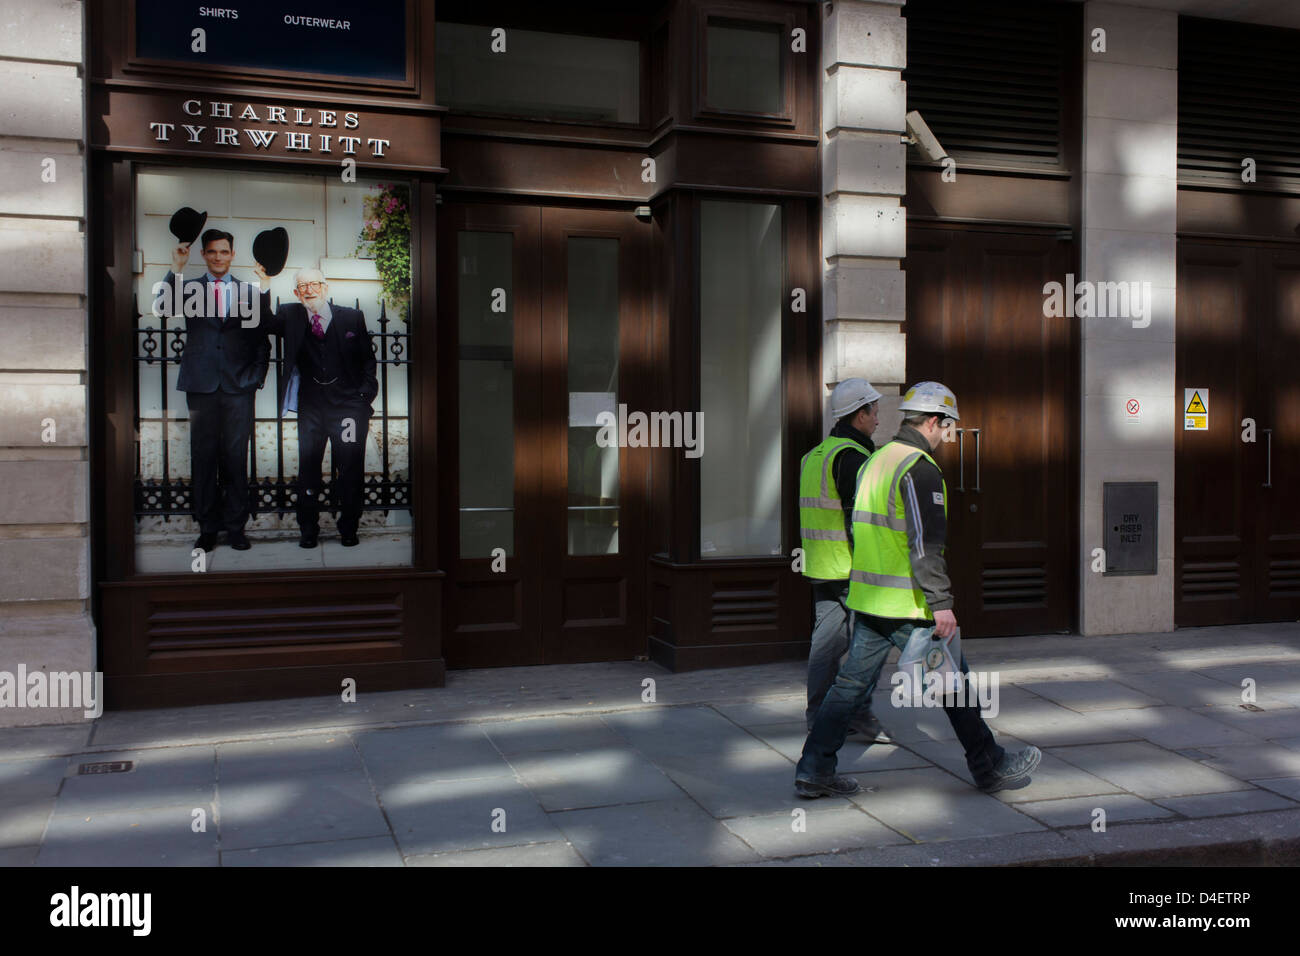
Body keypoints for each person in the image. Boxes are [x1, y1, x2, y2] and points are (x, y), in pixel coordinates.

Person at [794, 381, 1041, 798]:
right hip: (907, 605)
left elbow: (859, 528)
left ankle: (814, 769)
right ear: (931, 421)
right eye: (948, 426)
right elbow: (925, 545)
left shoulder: (876, 460)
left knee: (848, 689)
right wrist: (941, 603)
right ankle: (990, 767)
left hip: (870, 601)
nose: (949, 435)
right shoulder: (919, 468)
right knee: (953, 684)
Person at [161, 229, 269, 552]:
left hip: (238, 388)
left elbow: (261, 337)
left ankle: (235, 527)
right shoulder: (190, 288)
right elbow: (164, 308)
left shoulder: (248, 292)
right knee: (204, 457)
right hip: (201, 386)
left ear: (232, 255)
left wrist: (256, 378)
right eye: (212, 252)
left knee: (235, 458)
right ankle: (208, 527)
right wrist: (177, 268)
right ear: (204, 255)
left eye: (224, 252)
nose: (218, 257)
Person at [255, 266, 378, 548]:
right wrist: (263, 285)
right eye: (303, 286)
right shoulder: (291, 315)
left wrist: (363, 397)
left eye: (314, 284)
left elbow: (368, 360)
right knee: (309, 468)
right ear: (297, 293)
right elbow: (264, 324)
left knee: (349, 467)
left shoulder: (351, 317)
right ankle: (308, 530)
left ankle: (349, 526)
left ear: (325, 287)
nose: (310, 290)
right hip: (311, 409)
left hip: (348, 408)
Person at [798, 378, 890, 743]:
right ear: (859, 414)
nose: (878, 420)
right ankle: (858, 714)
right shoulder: (852, 458)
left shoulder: (815, 455)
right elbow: (861, 520)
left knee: (827, 644)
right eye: (875, 412)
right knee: (872, 643)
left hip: (821, 566)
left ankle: (818, 715)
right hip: (852, 567)